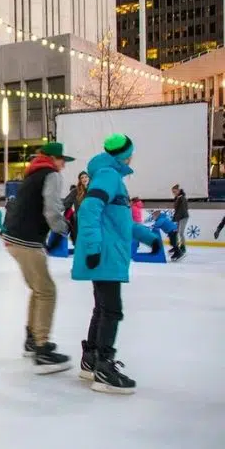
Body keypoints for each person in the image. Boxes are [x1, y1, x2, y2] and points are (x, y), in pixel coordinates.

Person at [72, 134, 160, 394]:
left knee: (102, 308)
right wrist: (93, 247)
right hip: (105, 255)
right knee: (111, 310)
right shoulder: (109, 175)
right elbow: (89, 209)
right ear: (125, 155)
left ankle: (91, 359)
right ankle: (104, 367)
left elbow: (118, 221)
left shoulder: (108, 175)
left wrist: (148, 237)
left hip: (107, 252)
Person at [2, 142, 73, 374]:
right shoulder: (50, 174)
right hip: (28, 240)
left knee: (38, 289)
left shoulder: (32, 172)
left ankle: (33, 339)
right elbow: (51, 208)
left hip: (14, 238)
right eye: (62, 160)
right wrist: (65, 228)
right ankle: (42, 349)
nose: (63, 165)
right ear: (54, 158)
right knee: (47, 291)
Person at [63, 171, 89, 243]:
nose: (84, 179)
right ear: (80, 180)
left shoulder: (93, 190)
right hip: (80, 220)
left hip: (92, 220)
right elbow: (66, 202)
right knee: (80, 242)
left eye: (86, 177)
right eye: (82, 177)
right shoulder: (76, 191)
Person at [171, 184, 188, 254]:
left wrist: (176, 218)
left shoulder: (182, 198)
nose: (173, 193)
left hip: (183, 217)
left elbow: (182, 209)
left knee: (181, 232)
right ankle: (176, 246)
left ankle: (183, 247)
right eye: (173, 192)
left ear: (178, 190)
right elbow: (177, 209)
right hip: (179, 217)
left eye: (175, 191)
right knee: (176, 232)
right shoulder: (178, 198)